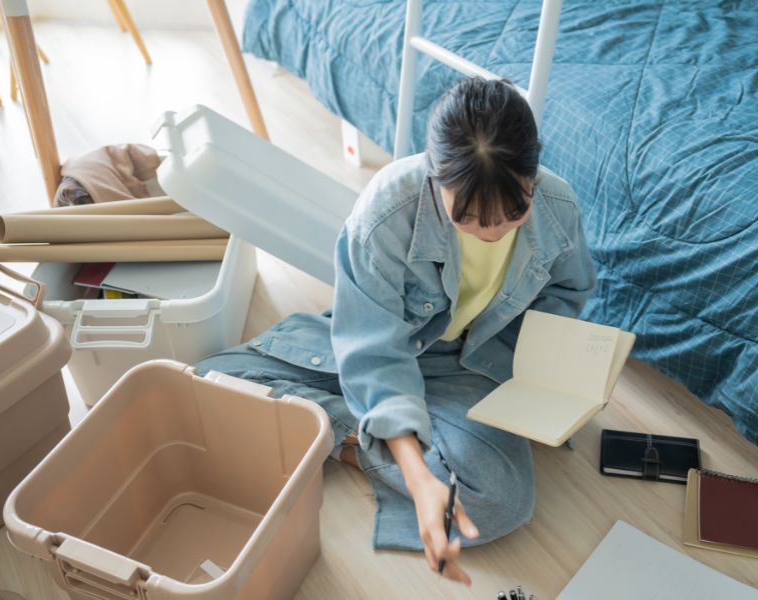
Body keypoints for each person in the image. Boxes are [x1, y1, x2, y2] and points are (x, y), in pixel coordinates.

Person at [194, 76, 596, 586]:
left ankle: (334, 434)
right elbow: (375, 350)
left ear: (534, 179)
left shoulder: (559, 209)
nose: (494, 232)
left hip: (476, 361)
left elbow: (565, 297)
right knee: (210, 381)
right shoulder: (387, 211)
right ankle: (363, 433)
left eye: (514, 214)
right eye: (470, 218)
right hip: (385, 342)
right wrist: (420, 479)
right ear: (434, 178)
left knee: (500, 501)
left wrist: (557, 375)